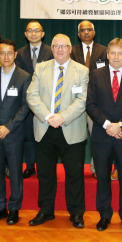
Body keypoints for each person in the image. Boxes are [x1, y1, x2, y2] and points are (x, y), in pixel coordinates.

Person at [26, 34, 89, 228]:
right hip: (44, 127)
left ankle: (77, 213)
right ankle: (46, 211)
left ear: (71, 49)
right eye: (56, 46)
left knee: (74, 174)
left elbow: (82, 100)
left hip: (71, 128)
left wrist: (63, 117)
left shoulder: (82, 71)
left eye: (64, 46)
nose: (60, 49)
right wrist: (47, 117)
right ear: (51, 49)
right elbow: (32, 95)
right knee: (45, 173)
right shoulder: (40, 68)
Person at [86, 38, 122, 232]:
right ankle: (104, 215)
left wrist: (121, 125)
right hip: (101, 136)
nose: (116, 57)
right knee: (102, 177)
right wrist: (109, 125)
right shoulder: (95, 75)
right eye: (113, 53)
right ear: (107, 55)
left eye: (120, 53)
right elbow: (90, 105)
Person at [0, 39, 32, 225]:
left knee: (16, 172)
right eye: (2, 53)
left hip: (14, 134)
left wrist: (8, 127)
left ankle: (14, 209)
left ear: (15, 54)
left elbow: (26, 106)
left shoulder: (24, 76)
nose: (6, 56)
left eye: (10, 53)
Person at [15, 20, 53, 179]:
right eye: (30, 30)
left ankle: (45, 167)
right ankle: (30, 166)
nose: (33, 33)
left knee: (45, 137)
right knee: (29, 136)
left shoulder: (51, 51)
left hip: (46, 101)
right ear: (25, 34)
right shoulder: (19, 53)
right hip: (25, 101)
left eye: (37, 30)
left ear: (43, 34)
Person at [70, 20, 108, 178]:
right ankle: (75, 169)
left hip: (97, 103)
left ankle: (96, 168)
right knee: (75, 139)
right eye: (82, 30)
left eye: (89, 29)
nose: (86, 32)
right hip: (75, 101)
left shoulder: (104, 50)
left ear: (94, 32)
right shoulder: (71, 50)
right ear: (78, 34)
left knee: (97, 138)